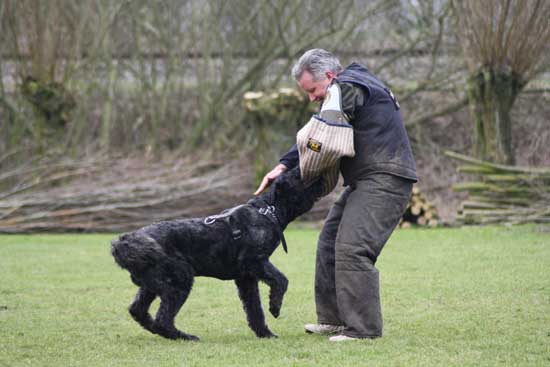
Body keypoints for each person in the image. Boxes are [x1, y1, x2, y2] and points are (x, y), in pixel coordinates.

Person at [254, 49, 417, 342]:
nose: (312, 98)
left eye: (313, 90)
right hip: (367, 179)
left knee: (353, 248)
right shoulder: (351, 86)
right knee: (329, 240)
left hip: (384, 179)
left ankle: (363, 329)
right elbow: (318, 132)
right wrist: (283, 165)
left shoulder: (347, 87)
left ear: (329, 77)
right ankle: (332, 319)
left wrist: (297, 176)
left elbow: (320, 139)